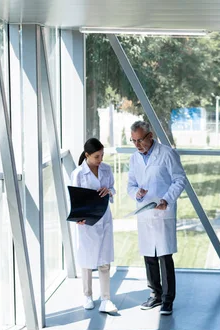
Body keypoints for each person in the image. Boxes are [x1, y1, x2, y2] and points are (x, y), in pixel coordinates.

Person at [127, 121, 187, 315]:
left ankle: (168, 300)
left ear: (150, 136)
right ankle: (155, 295)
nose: (137, 145)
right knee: (149, 256)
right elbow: (130, 185)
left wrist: (167, 199)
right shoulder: (134, 159)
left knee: (164, 255)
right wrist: (136, 193)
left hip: (163, 211)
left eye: (140, 140)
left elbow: (179, 179)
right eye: (133, 141)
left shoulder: (167, 153)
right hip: (145, 211)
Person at [70, 138, 118, 314]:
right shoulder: (78, 174)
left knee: (104, 260)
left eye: (102, 155)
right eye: (97, 156)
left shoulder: (106, 169)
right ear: (87, 155)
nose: (101, 160)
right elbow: (74, 198)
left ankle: (106, 298)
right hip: (87, 222)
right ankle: (87, 295)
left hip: (104, 217)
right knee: (87, 258)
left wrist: (109, 191)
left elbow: (113, 188)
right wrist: (78, 217)